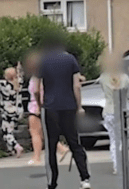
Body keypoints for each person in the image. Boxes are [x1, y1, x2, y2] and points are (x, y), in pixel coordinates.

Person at [35, 42, 91, 189]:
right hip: (69, 106)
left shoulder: (43, 61)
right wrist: (79, 107)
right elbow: (77, 85)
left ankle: (52, 182)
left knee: (51, 146)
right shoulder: (71, 59)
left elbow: (36, 88)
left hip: (50, 107)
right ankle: (84, 178)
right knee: (75, 143)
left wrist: (39, 103)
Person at [99, 51, 129, 174]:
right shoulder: (125, 78)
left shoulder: (103, 77)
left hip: (109, 110)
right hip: (122, 110)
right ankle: (122, 163)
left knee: (113, 139)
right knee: (123, 139)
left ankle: (116, 165)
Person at [27, 76, 69, 165]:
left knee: (35, 132)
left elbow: (36, 92)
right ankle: (61, 148)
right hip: (49, 105)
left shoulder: (37, 77)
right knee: (43, 132)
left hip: (36, 105)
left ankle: (36, 156)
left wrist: (38, 106)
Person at [0, 63, 24, 157]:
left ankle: (16, 146)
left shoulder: (4, 85)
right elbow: (21, 75)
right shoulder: (19, 82)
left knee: (7, 132)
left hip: (8, 111)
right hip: (18, 110)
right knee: (10, 129)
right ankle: (11, 150)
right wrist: (19, 69)